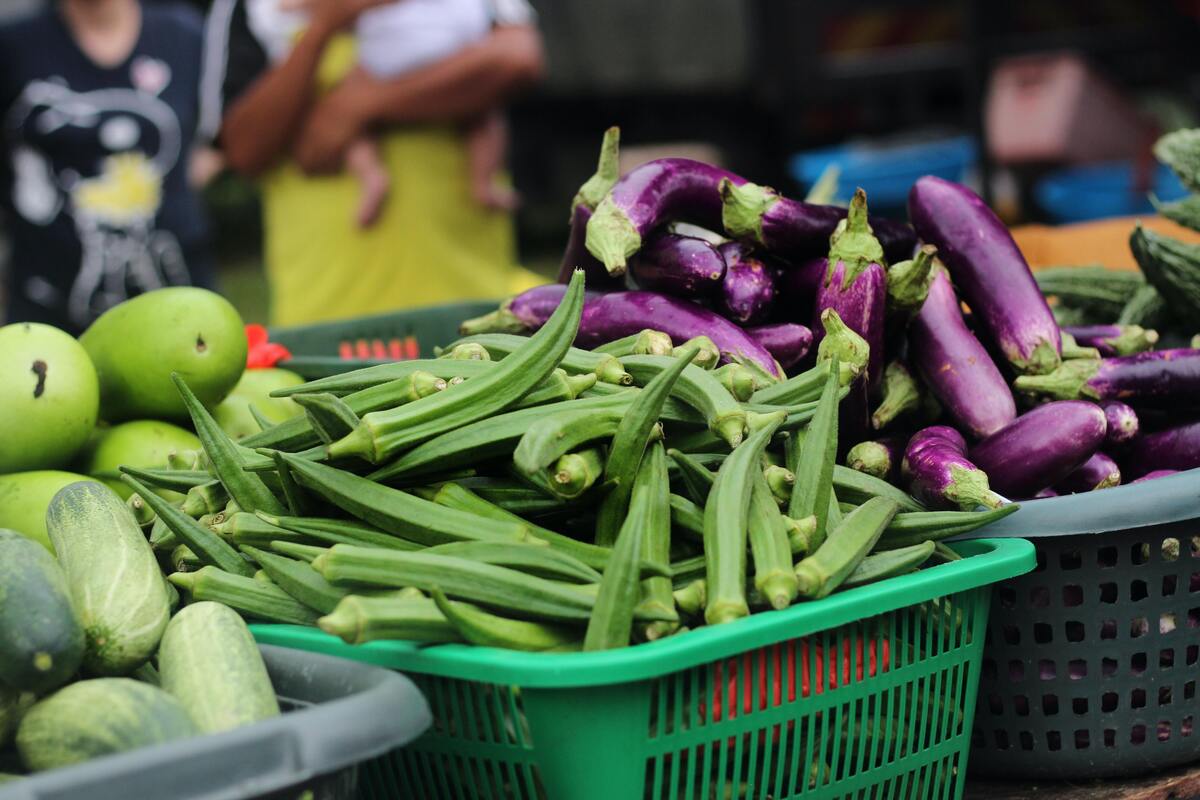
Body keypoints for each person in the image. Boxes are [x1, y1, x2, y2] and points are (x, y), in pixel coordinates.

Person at [201, 0, 544, 326]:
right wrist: (324, 27)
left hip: (470, 300)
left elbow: (517, 58)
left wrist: (359, 104)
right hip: (328, 316)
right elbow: (243, 152)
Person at [0, 0, 212, 334]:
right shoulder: (14, 45)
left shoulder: (183, 33)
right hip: (47, 318)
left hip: (183, 311)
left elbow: (220, 140)